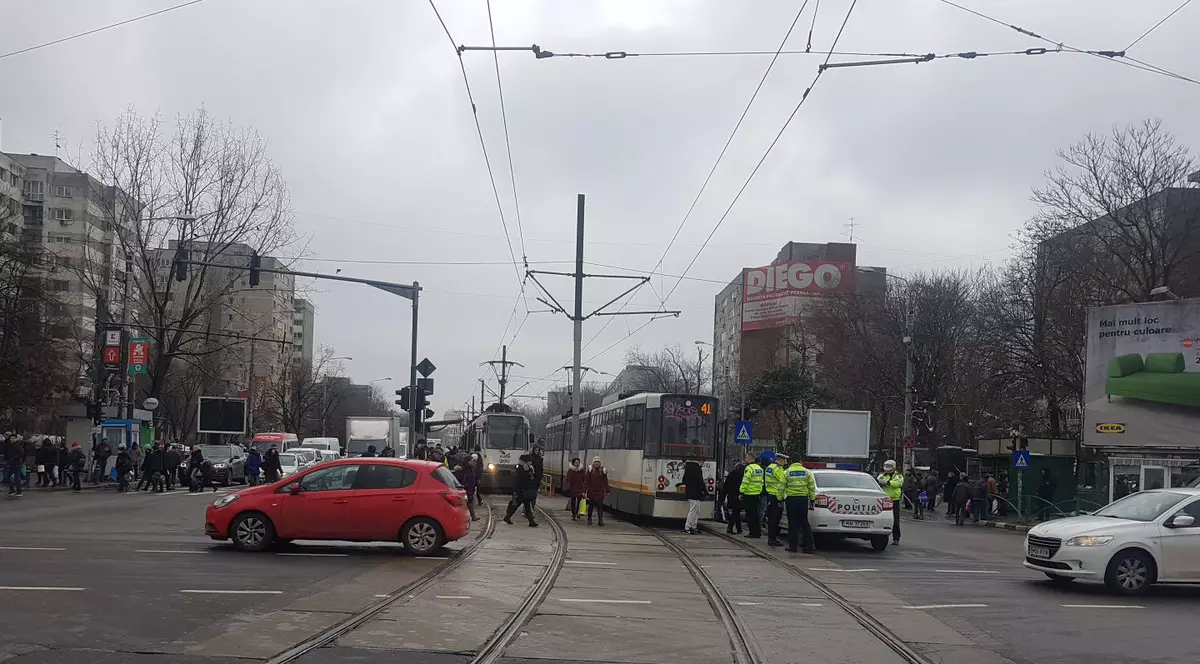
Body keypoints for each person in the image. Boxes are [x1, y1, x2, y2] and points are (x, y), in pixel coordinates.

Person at [783, 455, 817, 553]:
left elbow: (781, 487)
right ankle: (811, 546)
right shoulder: (807, 472)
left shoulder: (787, 472)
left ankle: (793, 546)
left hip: (791, 500)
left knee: (792, 524)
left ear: (791, 462)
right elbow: (811, 487)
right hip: (803, 500)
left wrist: (779, 499)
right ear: (800, 462)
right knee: (804, 523)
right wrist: (812, 499)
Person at [504, 454, 539, 527]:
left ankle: (531, 521)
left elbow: (531, 478)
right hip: (520, 491)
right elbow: (519, 480)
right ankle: (507, 517)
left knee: (526, 506)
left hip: (524, 490)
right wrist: (515, 491)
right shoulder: (520, 468)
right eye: (530, 461)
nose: (531, 463)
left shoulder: (527, 468)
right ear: (526, 462)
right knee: (517, 505)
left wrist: (531, 470)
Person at [738, 453, 766, 539]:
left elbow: (745, 481)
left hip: (748, 494)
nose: (745, 459)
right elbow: (761, 482)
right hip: (756, 494)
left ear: (750, 458)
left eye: (746, 458)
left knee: (749, 515)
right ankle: (757, 532)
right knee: (755, 515)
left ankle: (752, 532)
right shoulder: (759, 468)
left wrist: (741, 492)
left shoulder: (749, 468)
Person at [877, 460, 904, 545]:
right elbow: (877, 481)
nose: (887, 468)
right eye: (886, 466)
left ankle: (896, 538)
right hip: (883, 499)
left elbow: (898, 483)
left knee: (895, 520)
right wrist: (880, 483)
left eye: (889, 466)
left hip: (894, 500)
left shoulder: (898, 476)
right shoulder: (882, 476)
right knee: (881, 518)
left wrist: (888, 483)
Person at [765, 451, 789, 545]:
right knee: (776, 518)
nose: (785, 462)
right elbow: (783, 482)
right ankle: (773, 539)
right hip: (777, 496)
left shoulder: (770, 467)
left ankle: (770, 538)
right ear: (781, 460)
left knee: (771, 518)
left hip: (770, 495)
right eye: (784, 460)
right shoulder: (779, 470)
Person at [678, 458, 706, 534]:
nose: (703, 465)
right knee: (693, 510)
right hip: (695, 493)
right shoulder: (697, 469)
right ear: (700, 462)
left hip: (691, 492)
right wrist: (705, 491)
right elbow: (701, 481)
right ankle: (687, 527)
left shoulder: (688, 468)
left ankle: (693, 526)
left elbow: (684, 481)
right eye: (703, 463)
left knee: (696, 510)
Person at [722, 457, 747, 535]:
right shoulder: (742, 475)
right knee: (736, 512)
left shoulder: (731, 474)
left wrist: (722, 497)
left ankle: (739, 529)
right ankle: (730, 527)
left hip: (731, 496)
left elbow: (725, 486)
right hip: (739, 496)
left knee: (736, 512)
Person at [583, 456, 610, 526]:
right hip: (591, 490)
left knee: (600, 506)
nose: (597, 463)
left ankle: (600, 520)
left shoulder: (603, 471)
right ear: (593, 463)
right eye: (595, 462)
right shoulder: (590, 470)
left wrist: (607, 490)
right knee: (591, 505)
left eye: (598, 462)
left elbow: (605, 481)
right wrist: (584, 491)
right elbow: (587, 481)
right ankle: (589, 519)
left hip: (600, 491)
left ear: (600, 463)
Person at [453, 455, 480, 521]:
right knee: (465, 503)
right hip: (465, 489)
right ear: (467, 462)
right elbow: (459, 480)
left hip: (470, 488)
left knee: (469, 502)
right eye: (471, 461)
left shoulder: (471, 469)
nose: (474, 462)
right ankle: (471, 516)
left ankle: (472, 516)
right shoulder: (462, 470)